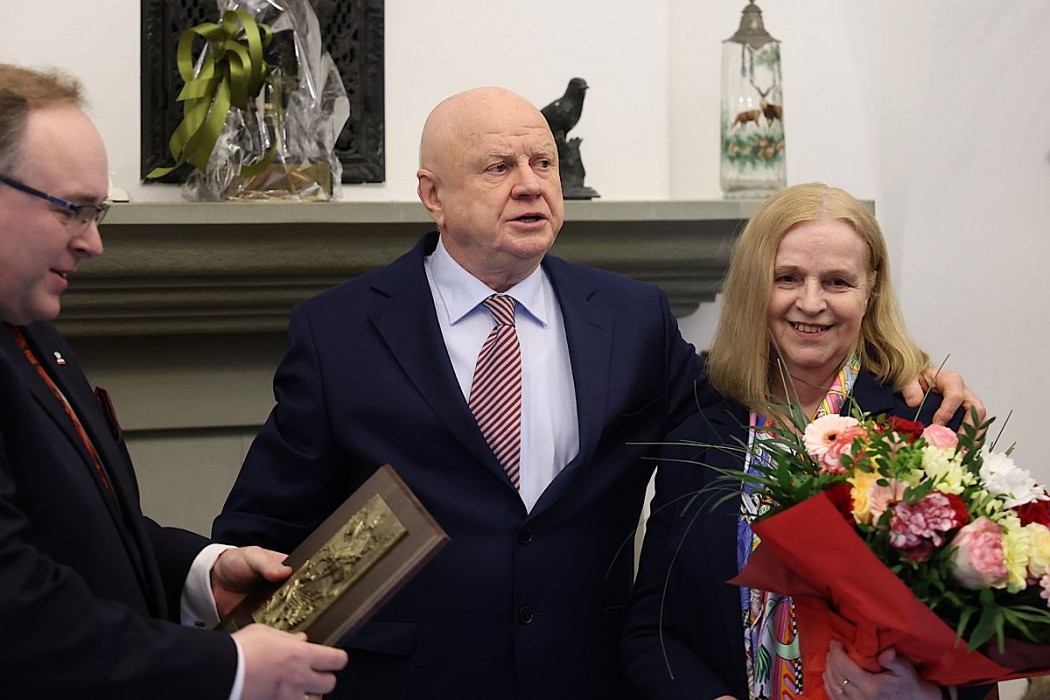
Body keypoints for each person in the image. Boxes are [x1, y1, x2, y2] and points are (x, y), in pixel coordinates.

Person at [213, 89, 978, 699]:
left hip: (585, 678)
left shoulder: (631, 318)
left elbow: (754, 390)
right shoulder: (340, 331)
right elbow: (261, 531)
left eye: (543, 162)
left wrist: (907, 373)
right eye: (499, 166)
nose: (530, 185)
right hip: (404, 682)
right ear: (432, 194)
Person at [0, 64, 347, 698]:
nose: (93, 243)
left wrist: (202, 571)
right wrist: (229, 668)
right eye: (72, 210)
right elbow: (16, 612)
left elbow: (83, 530)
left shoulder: (34, 332)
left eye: (98, 213)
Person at [620, 183, 990, 700]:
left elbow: (983, 624)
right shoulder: (700, 421)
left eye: (837, 281)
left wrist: (925, 695)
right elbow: (652, 628)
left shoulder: (927, 420)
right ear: (755, 285)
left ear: (871, 289)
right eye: (787, 278)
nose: (811, 303)